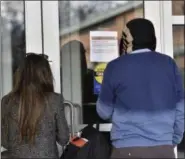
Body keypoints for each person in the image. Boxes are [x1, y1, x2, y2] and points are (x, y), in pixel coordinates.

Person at [96, 18, 184, 158]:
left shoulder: (115, 66)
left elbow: (104, 112)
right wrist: (173, 140)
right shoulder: (169, 64)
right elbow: (180, 108)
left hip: (126, 148)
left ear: (128, 39)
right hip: (163, 148)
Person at [1, 53, 69, 158]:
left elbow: (5, 141)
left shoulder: (7, 101)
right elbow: (64, 139)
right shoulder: (54, 100)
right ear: (45, 74)